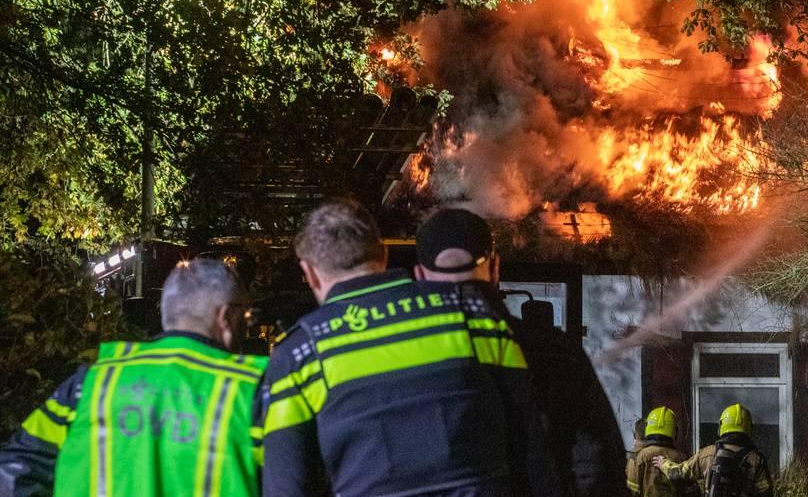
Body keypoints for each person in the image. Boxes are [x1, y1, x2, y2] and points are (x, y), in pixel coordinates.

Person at [258, 199, 557, 496]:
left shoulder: (300, 353)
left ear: (308, 272)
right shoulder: (471, 313)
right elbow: (530, 441)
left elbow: (287, 485)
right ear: (384, 253)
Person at [0, 258, 266, 497]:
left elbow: (14, 470)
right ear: (226, 317)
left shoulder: (92, 383)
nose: (247, 324)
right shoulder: (251, 390)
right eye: (246, 316)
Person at [414, 208, 626, 497]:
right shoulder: (554, 350)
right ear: (495, 267)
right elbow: (597, 460)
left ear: (419, 275)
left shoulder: (398, 356)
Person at [653, 404, 773, 497]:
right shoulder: (756, 459)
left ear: (721, 425)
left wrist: (663, 463)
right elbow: (766, 492)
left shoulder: (707, 453)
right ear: (749, 428)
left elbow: (679, 473)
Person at [627, 407, 693, 496]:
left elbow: (631, 491)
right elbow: (690, 491)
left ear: (648, 427)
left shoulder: (638, 457)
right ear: (675, 431)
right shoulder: (683, 458)